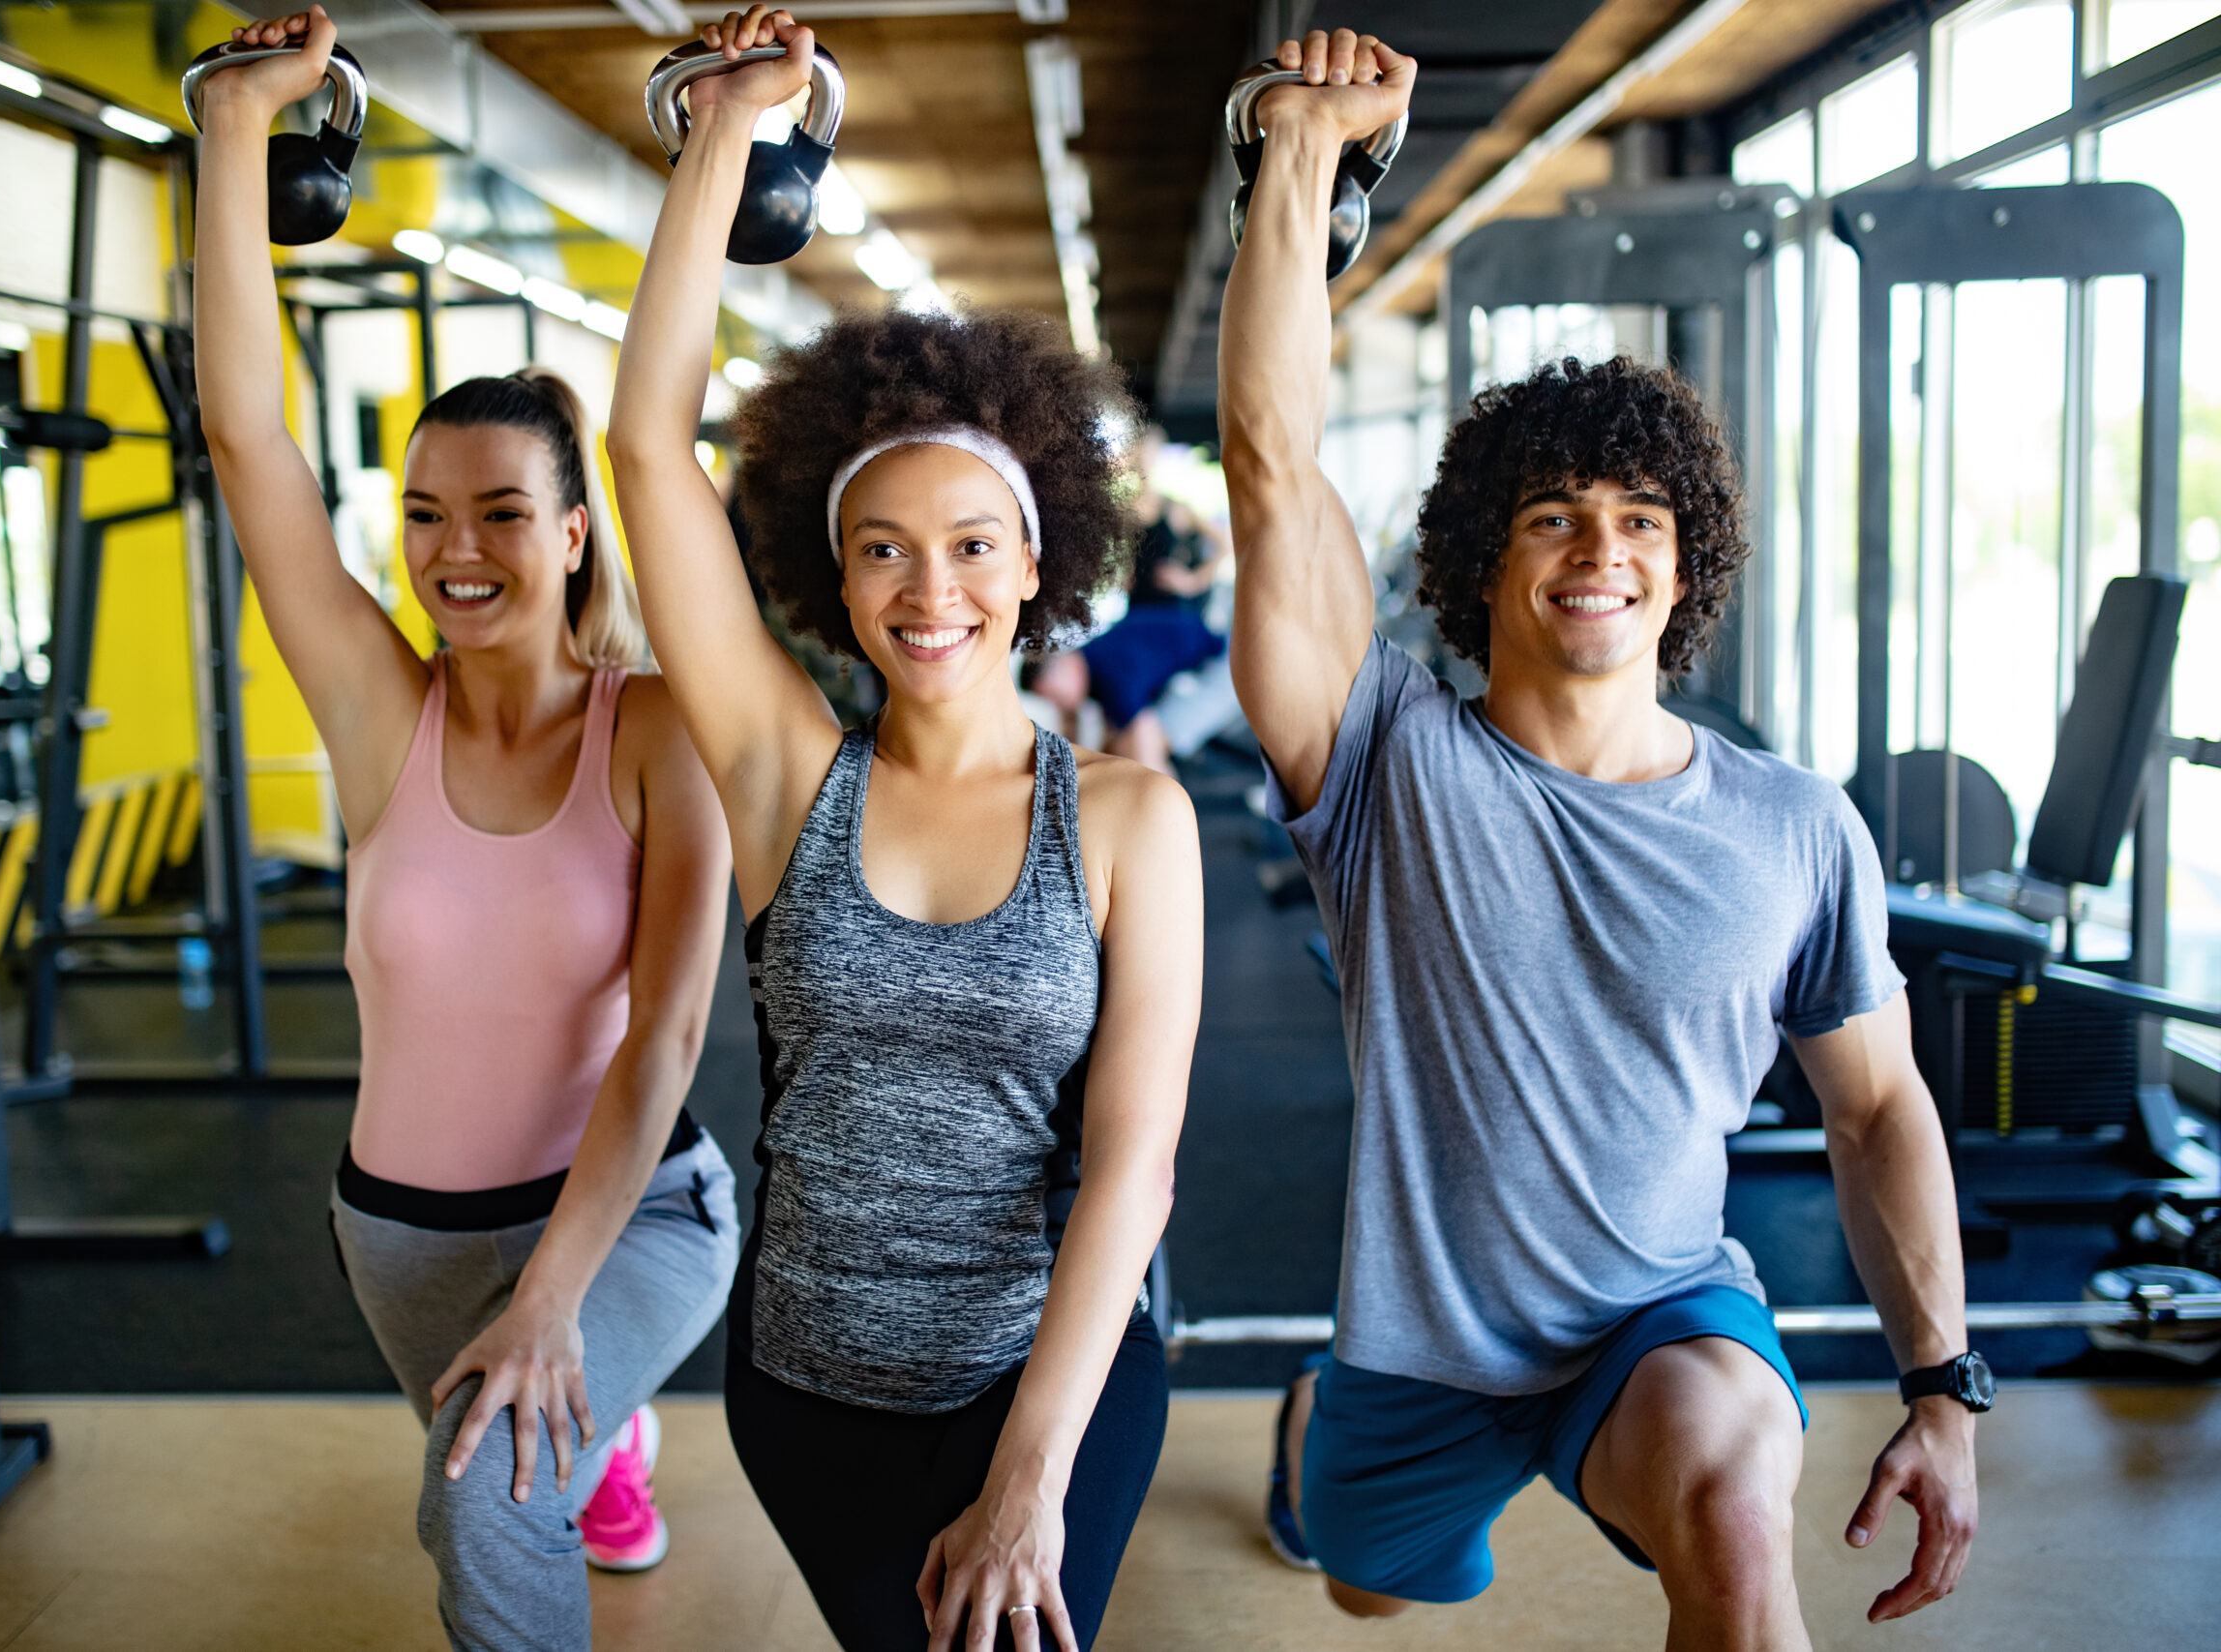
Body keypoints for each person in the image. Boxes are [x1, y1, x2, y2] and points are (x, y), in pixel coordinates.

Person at [1220, 28, 1982, 1650]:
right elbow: (1273, 465)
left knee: (1729, 1506)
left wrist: (1944, 1385)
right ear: (1485, 561)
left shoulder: (1792, 827)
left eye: (1640, 520)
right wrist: (1298, 153)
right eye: (1554, 514)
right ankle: (1315, 1430)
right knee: (1365, 1586)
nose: (1600, 549)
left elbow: (1879, 1104)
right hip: (1418, 1349)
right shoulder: (1387, 762)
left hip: (1659, 1317)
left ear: (1683, 566)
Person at [606, 12, 1202, 1649]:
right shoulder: (791, 774)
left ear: (1035, 561)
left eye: (966, 545)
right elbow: (647, 445)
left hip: (1047, 1379)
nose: (926, 590)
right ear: (835, 572)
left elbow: (1132, 1171)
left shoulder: (1134, 821)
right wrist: (726, 132)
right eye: (881, 550)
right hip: (809, 1383)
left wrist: (1027, 1481)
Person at [192, 13, 739, 1648]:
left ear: (576, 532)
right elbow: (247, 442)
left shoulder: (654, 728)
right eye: (425, 514)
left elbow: (670, 1035)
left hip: (629, 1211)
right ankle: (603, 1430)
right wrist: (234, 129)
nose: (457, 550)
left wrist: (560, 1298)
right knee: (503, 1444)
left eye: (503, 511)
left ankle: (586, 1400)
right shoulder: (383, 712)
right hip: (398, 1234)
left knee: (485, 1487)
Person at [1075, 431, 1232, 775]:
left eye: (1149, 456)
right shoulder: (1124, 514)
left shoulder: (1174, 507)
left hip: (1171, 617)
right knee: (1121, 714)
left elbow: (1224, 546)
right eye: (1137, 456)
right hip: (1136, 616)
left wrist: (1192, 581)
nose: (1142, 463)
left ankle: (1157, 782)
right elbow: (1114, 567)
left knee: (1145, 721)